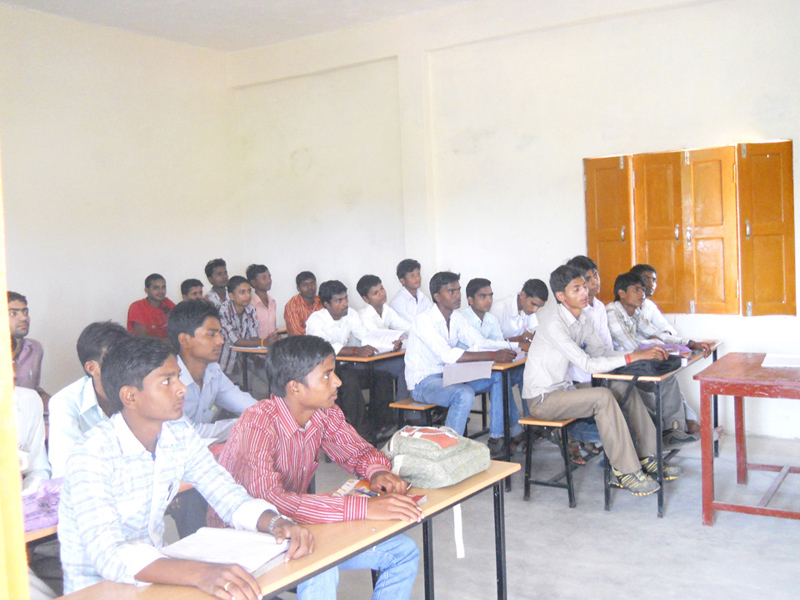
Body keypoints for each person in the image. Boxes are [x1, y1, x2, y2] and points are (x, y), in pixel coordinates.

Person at [58, 336, 314, 596]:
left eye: (178, 377)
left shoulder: (177, 432)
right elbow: (109, 555)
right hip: (98, 589)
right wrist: (201, 573)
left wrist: (275, 522)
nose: (182, 389)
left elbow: (224, 491)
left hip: (156, 575)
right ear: (130, 396)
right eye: (167, 381)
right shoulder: (92, 455)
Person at [211, 335, 420, 600]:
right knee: (321, 566)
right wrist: (364, 507)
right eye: (327, 375)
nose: (338, 382)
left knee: (403, 551)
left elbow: (357, 451)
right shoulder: (258, 423)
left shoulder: (323, 412)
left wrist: (376, 471)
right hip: (245, 539)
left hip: (295, 527)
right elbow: (271, 502)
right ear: (295, 387)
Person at [522, 265, 682, 496]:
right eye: (576, 289)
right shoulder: (554, 324)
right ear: (561, 296)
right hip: (542, 399)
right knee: (602, 396)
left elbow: (601, 352)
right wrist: (633, 357)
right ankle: (625, 470)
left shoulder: (582, 318)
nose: (584, 292)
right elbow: (587, 364)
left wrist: (638, 354)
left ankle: (649, 457)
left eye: (583, 286)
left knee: (621, 386)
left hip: (564, 390)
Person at [405, 271, 521, 456]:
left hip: (449, 375)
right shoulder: (424, 320)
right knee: (463, 394)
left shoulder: (457, 318)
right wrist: (493, 355)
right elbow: (448, 355)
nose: (458, 295)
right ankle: (448, 450)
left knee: (498, 376)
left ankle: (497, 438)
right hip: (423, 382)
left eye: (458, 290)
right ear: (437, 296)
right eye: (451, 292)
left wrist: (515, 347)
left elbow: (480, 343)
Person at [606, 272, 708, 446]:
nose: (642, 294)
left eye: (642, 289)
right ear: (622, 293)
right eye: (636, 290)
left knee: (668, 378)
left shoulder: (634, 312)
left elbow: (656, 333)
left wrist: (688, 343)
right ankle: (666, 434)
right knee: (662, 380)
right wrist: (656, 343)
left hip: (637, 364)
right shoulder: (612, 313)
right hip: (619, 368)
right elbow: (633, 346)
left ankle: (674, 431)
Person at [306, 280, 396, 441]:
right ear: (326, 304)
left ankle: (381, 425)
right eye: (339, 301)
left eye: (345, 298)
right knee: (349, 380)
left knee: (382, 376)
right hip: (322, 373)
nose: (345, 303)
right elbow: (324, 348)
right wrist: (355, 350)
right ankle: (362, 433)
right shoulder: (316, 320)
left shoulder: (351, 314)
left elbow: (365, 338)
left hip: (345, 367)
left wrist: (390, 344)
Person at [630, 263, 709, 434]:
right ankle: (681, 426)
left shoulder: (648, 306)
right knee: (667, 380)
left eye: (654, 280)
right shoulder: (622, 309)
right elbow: (631, 342)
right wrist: (652, 340)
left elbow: (666, 329)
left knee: (669, 377)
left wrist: (663, 338)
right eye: (646, 279)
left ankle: (685, 424)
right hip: (634, 361)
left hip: (652, 355)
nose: (651, 284)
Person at [48, 321, 130, 478]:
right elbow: (67, 468)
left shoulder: (142, 392)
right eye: (116, 360)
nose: (127, 366)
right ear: (92, 368)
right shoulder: (65, 403)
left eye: (128, 358)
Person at [168, 299, 258, 442]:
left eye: (220, 333)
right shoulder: (166, 381)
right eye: (211, 334)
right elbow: (188, 434)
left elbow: (248, 405)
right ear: (185, 340)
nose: (220, 341)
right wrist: (246, 425)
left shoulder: (212, 371)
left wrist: (267, 415)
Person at [461, 278, 524, 412]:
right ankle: (507, 425)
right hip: (466, 373)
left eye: (490, 296)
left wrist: (508, 348)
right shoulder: (462, 318)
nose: (489, 300)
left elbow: (499, 344)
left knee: (523, 371)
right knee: (501, 379)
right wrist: (519, 344)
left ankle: (531, 420)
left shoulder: (491, 318)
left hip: (489, 368)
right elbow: (482, 344)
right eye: (483, 296)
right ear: (470, 300)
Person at [357, 274, 411, 400]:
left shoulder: (386, 310)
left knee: (413, 358)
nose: (382, 294)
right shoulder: (364, 316)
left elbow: (407, 327)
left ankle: (410, 406)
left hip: (384, 358)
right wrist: (396, 344)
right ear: (365, 298)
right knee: (406, 364)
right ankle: (403, 407)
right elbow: (379, 342)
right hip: (367, 362)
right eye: (375, 293)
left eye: (382, 289)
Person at [218, 276, 267, 380]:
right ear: (231, 296)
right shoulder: (224, 310)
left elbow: (253, 337)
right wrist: (263, 342)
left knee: (263, 385)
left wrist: (268, 342)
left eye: (249, 291)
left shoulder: (251, 309)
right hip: (222, 366)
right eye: (242, 292)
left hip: (241, 363)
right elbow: (235, 341)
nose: (248, 295)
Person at [8, 291, 50, 411]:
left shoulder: (35, 348)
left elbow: (33, 389)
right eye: (13, 313)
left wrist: (56, 402)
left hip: (25, 415)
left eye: (25, 312)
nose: (23, 318)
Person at [489, 279, 548, 346]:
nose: (535, 310)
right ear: (523, 295)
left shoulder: (528, 309)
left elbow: (533, 330)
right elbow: (489, 343)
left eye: (539, 307)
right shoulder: (499, 308)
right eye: (533, 304)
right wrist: (518, 339)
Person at [126, 273, 176, 339]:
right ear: (146, 290)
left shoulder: (168, 303)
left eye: (163, 287)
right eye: (156, 288)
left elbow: (180, 325)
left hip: (167, 344)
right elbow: (144, 339)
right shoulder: (137, 307)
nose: (161, 291)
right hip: (145, 345)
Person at [389, 258, 433, 323]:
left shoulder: (424, 297)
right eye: (412, 276)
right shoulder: (398, 302)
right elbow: (412, 325)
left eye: (418, 274)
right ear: (402, 281)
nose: (417, 278)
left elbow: (432, 318)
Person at [246, 263, 280, 344]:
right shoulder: (249, 305)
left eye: (269, 277)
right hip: (256, 349)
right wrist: (263, 342)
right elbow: (248, 334)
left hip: (272, 348)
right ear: (253, 282)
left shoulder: (272, 302)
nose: (269, 281)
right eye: (264, 278)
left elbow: (273, 328)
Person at [284, 271, 323, 336]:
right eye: (305, 285)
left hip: (321, 340)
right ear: (298, 288)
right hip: (300, 342)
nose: (310, 287)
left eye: (313, 283)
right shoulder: (292, 305)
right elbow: (297, 333)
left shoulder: (322, 302)